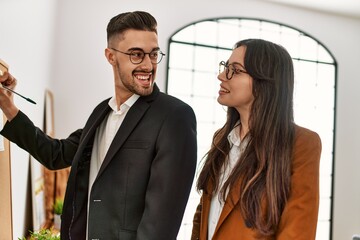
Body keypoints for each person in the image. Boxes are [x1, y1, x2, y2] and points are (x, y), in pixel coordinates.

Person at [0, 11, 197, 240]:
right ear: (111, 56)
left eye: (153, 54)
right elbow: (56, 154)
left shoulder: (175, 116)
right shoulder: (102, 112)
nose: (148, 65)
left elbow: (160, 226)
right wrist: (8, 107)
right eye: (136, 54)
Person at [191, 39, 321, 240]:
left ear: (264, 81)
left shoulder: (302, 143)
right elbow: (203, 214)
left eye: (235, 70)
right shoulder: (222, 138)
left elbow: (298, 232)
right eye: (226, 67)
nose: (222, 76)